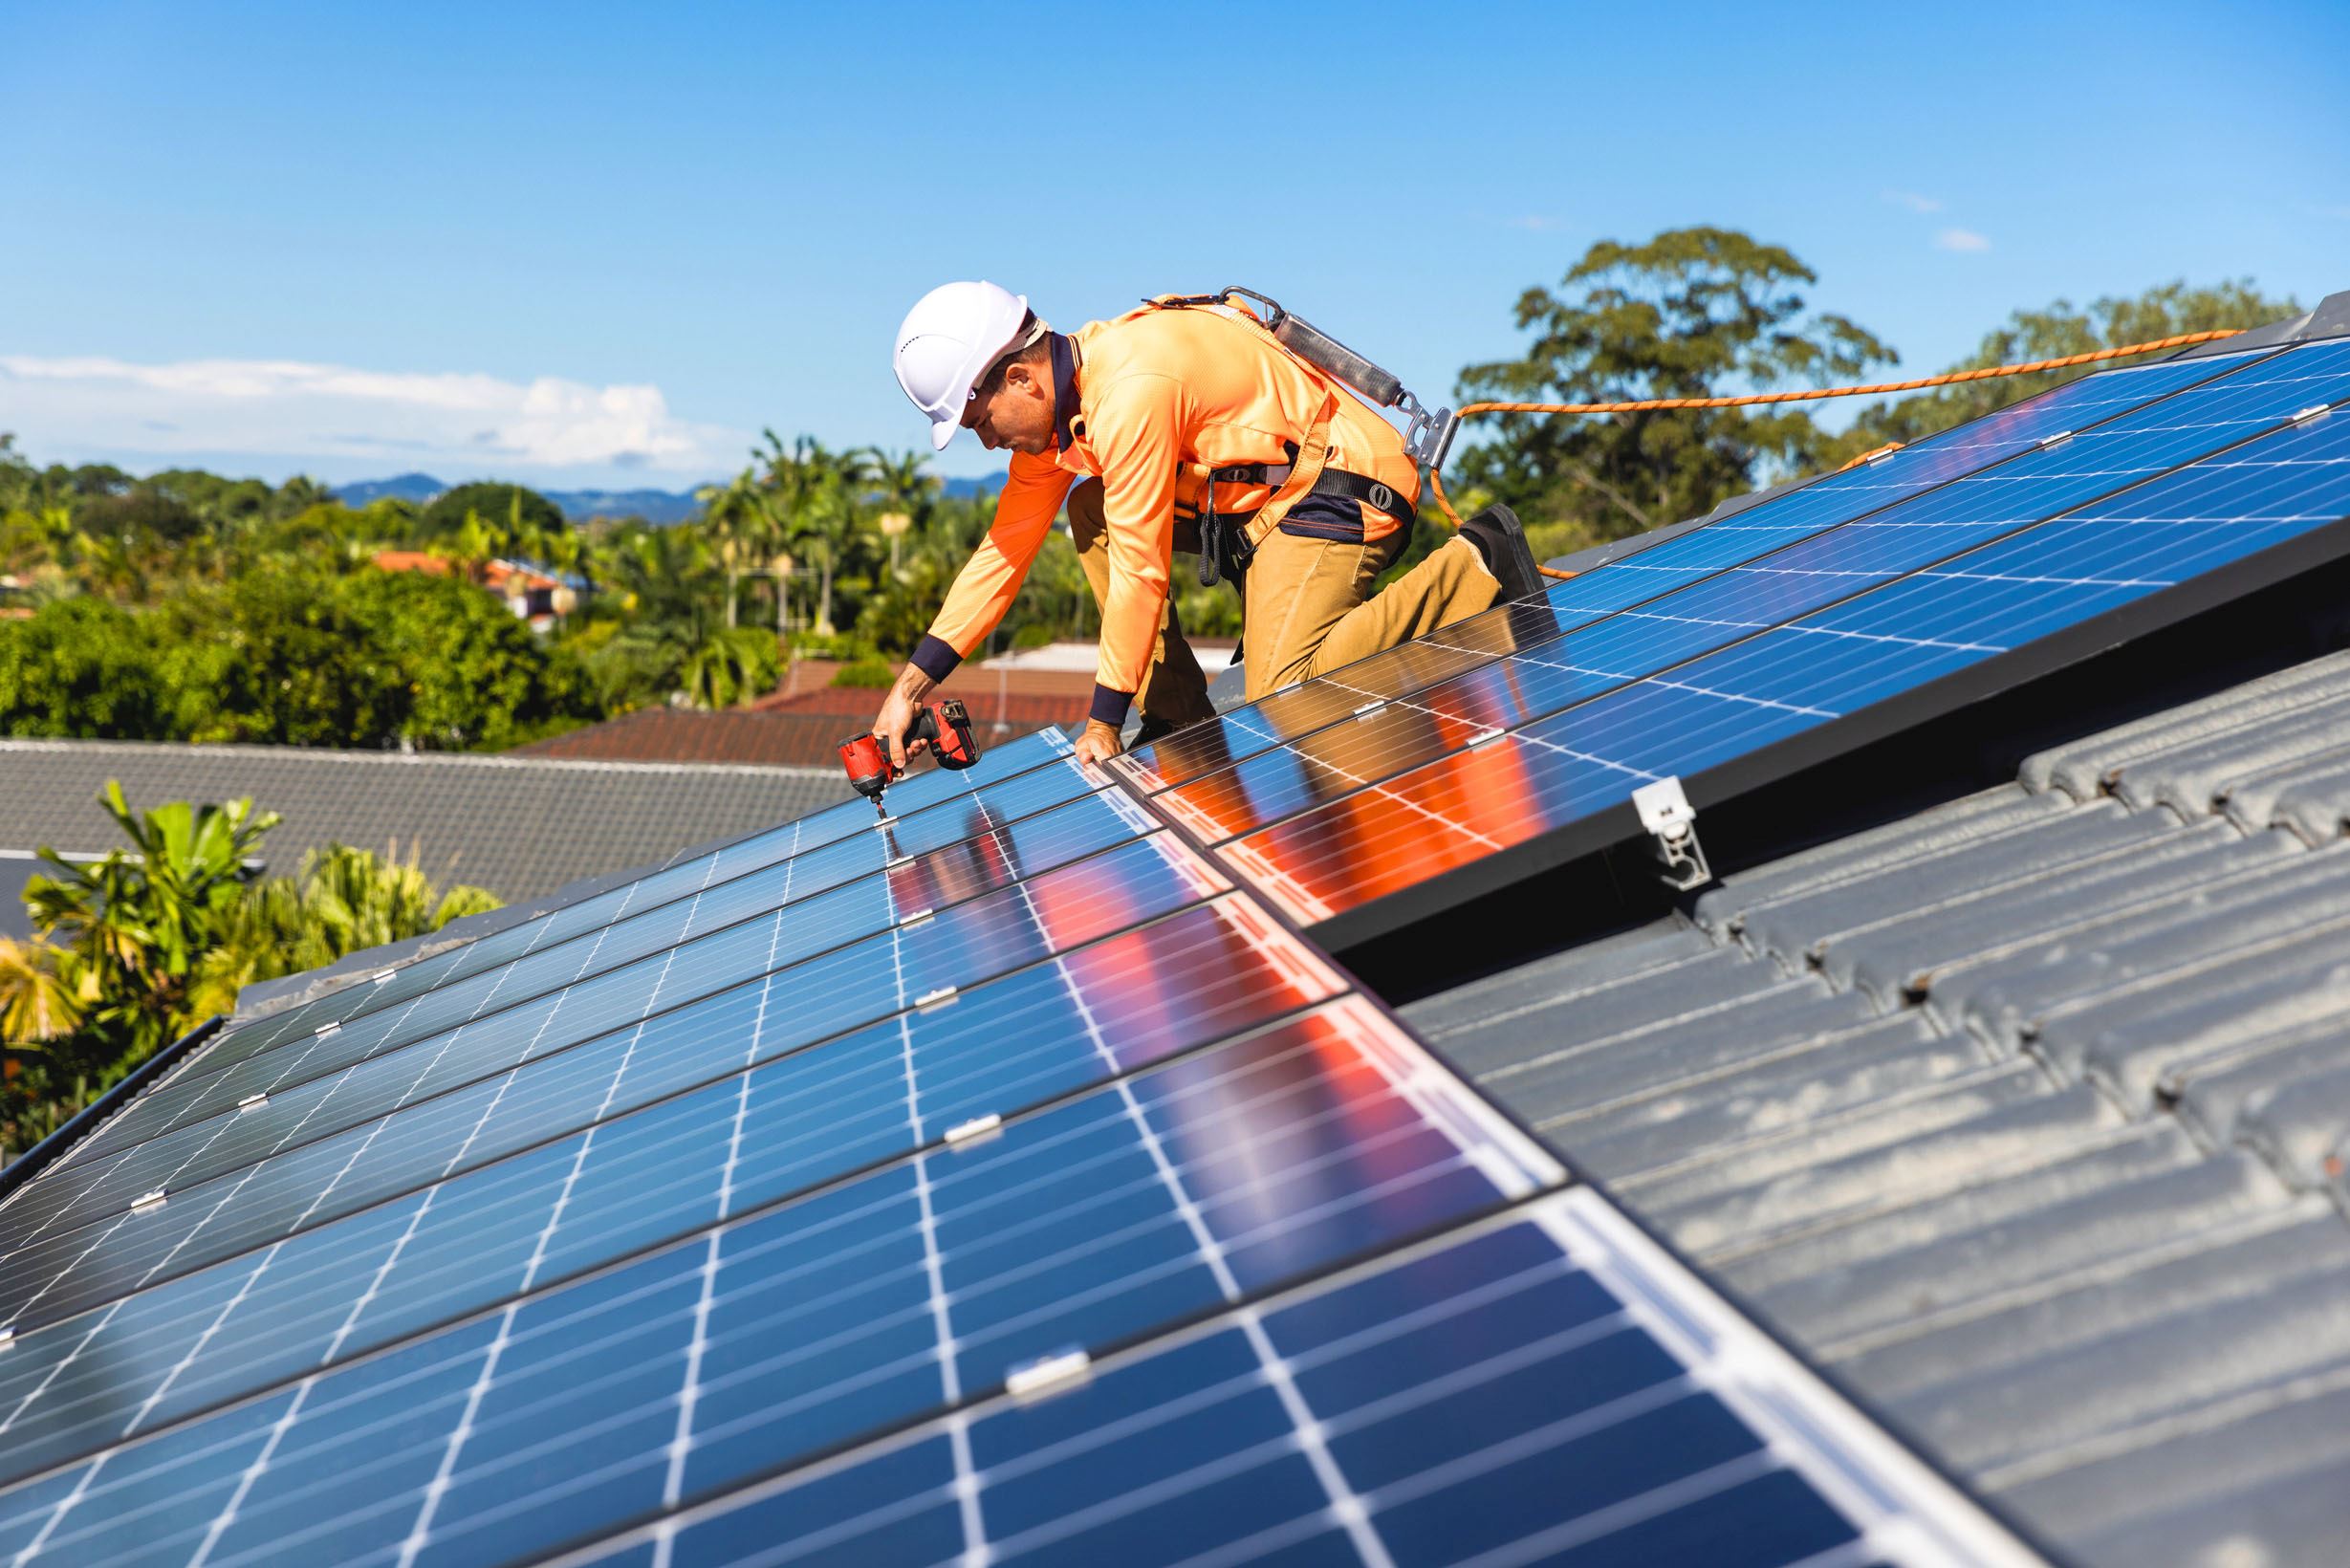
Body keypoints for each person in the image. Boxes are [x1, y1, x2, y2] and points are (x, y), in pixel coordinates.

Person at [869, 280, 1543, 770]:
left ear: (1022, 379)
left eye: (980, 422)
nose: (986, 443)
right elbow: (1003, 554)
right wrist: (909, 690)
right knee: (1088, 507)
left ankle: (1478, 561)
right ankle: (1179, 717)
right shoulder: (1060, 424)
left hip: (1340, 487)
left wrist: (1104, 722)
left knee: (1286, 691)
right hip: (1264, 509)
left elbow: (1141, 567)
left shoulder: (1131, 389)